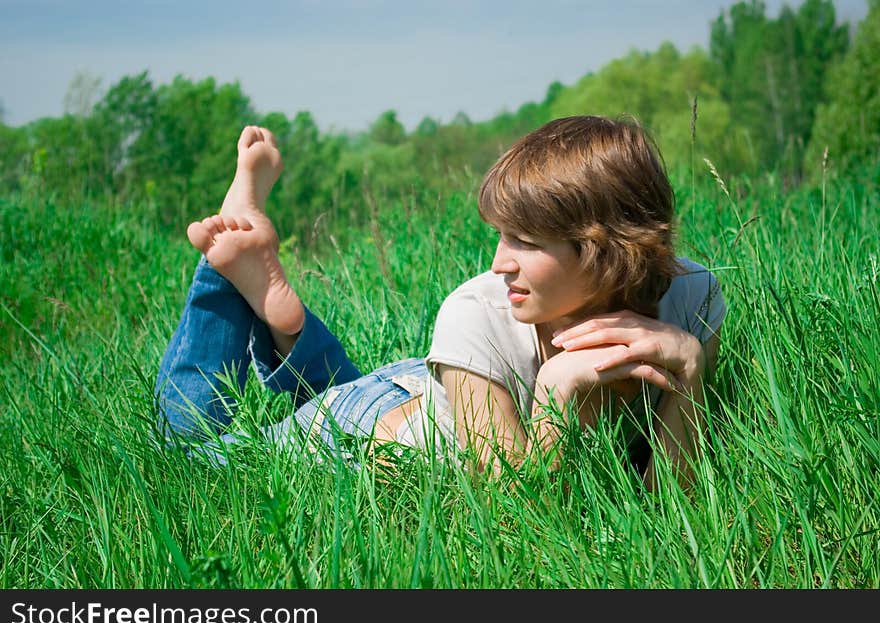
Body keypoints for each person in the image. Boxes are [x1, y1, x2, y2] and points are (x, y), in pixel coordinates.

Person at [155, 116, 725, 489]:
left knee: (338, 389)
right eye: (501, 236)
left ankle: (289, 326)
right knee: (195, 455)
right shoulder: (476, 312)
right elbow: (517, 526)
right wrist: (553, 396)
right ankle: (224, 274)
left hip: (451, 388)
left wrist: (691, 369)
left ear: (608, 250)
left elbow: (671, 503)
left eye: (525, 243)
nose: (500, 263)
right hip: (376, 432)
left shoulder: (691, 298)